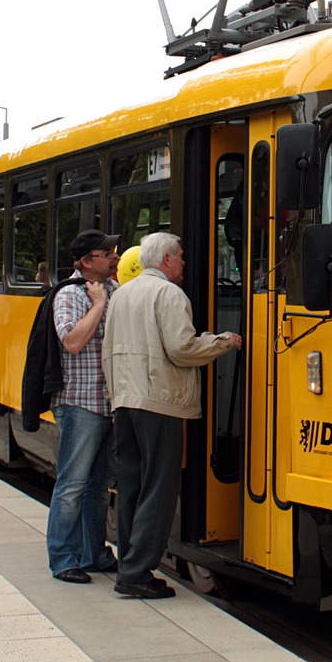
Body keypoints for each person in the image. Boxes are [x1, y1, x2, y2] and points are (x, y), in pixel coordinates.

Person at [103, 232, 240, 599]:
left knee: (131, 484)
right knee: (159, 488)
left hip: (126, 401)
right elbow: (182, 349)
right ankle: (136, 572)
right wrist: (223, 341)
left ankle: (126, 564)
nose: (183, 263)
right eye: (180, 257)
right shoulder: (170, 295)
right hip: (158, 402)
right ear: (165, 260)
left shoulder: (122, 294)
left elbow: (107, 351)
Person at [45, 230, 121, 585]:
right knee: (72, 484)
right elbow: (72, 342)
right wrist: (99, 306)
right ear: (86, 261)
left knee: (99, 485)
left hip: (109, 402)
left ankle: (96, 553)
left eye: (114, 250)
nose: (115, 256)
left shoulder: (113, 289)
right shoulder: (70, 295)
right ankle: (63, 558)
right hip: (80, 402)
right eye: (106, 252)